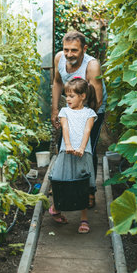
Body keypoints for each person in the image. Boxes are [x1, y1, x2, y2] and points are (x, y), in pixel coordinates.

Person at [51, 31, 107, 208]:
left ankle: (89, 191)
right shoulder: (59, 58)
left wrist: (83, 121)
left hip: (91, 111)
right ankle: (65, 180)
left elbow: (97, 100)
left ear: (84, 48)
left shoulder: (92, 66)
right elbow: (57, 82)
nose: (68, 54)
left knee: (87, 147)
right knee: (64, 144)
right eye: (66, 49)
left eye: (74, 50)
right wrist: (55, 110)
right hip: (71, 109)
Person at [48, 77, 98, 234]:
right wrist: (68, 146)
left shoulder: (89, 113)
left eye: (71, 96)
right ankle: (56, 208)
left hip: (83, 153)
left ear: (82, 96)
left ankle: (84, 220)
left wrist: (82, 148)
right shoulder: (64, 112)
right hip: (66, 152)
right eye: (66, 95)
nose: (67, 99)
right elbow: (65, 129)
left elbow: (87, 131)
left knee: (82, 185)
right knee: (61, 180)